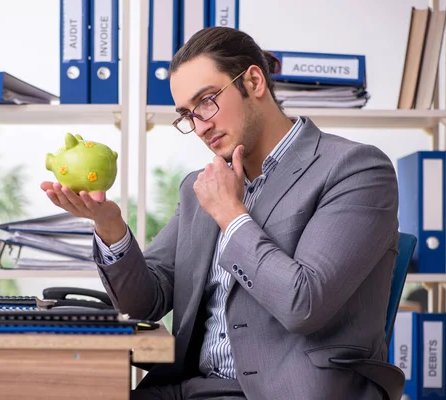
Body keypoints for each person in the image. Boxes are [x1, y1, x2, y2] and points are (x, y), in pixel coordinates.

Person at [41, 27, 402, 400]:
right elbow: (144, 303)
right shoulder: (201, 186)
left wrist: (231, 215)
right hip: (190, 387)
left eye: (207, 101)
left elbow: (304, 304)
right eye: (187, 114)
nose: (200, 126)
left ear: (254, 81)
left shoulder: (355, 169)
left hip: (289, 391)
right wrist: (109, 225)